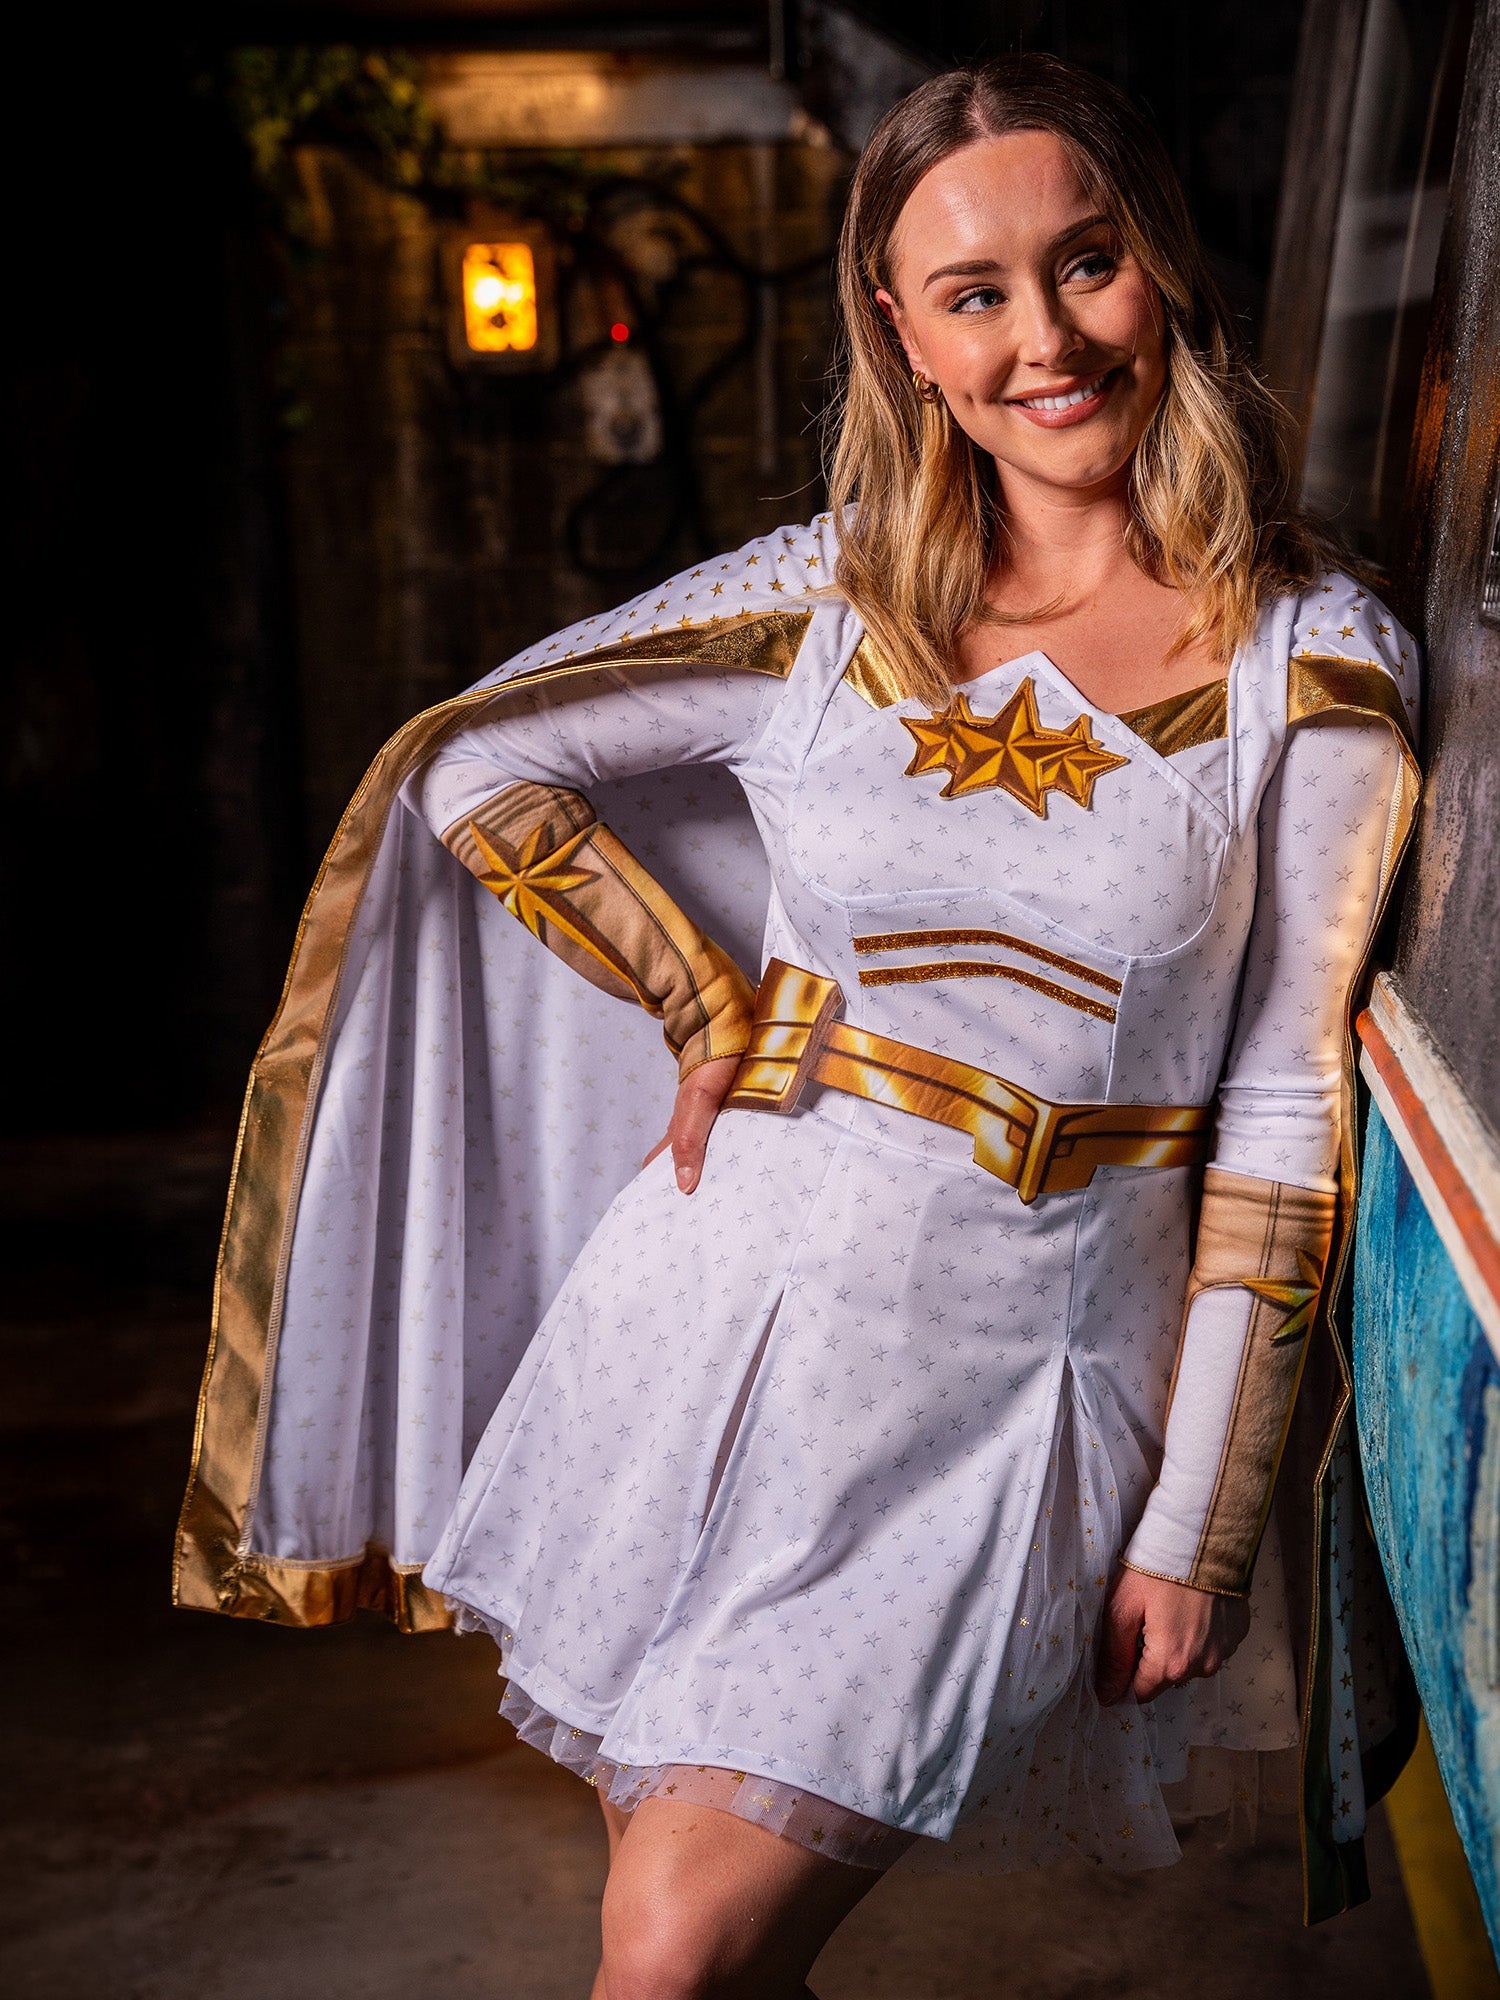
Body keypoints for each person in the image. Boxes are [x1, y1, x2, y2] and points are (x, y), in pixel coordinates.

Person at [176, 55, 1422, 1999]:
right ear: (902, 333)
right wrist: (697, 994)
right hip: (704, 1311)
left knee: (669, 1951)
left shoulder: (1309, 652)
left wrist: (1203, 1518)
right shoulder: (841, 593)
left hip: (1013, 1380)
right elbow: (478, 771)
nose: (1042, 338)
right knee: (697, 1956)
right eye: (973, 291)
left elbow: (1279, 1103)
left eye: (1081, 264)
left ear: (1158, 268)